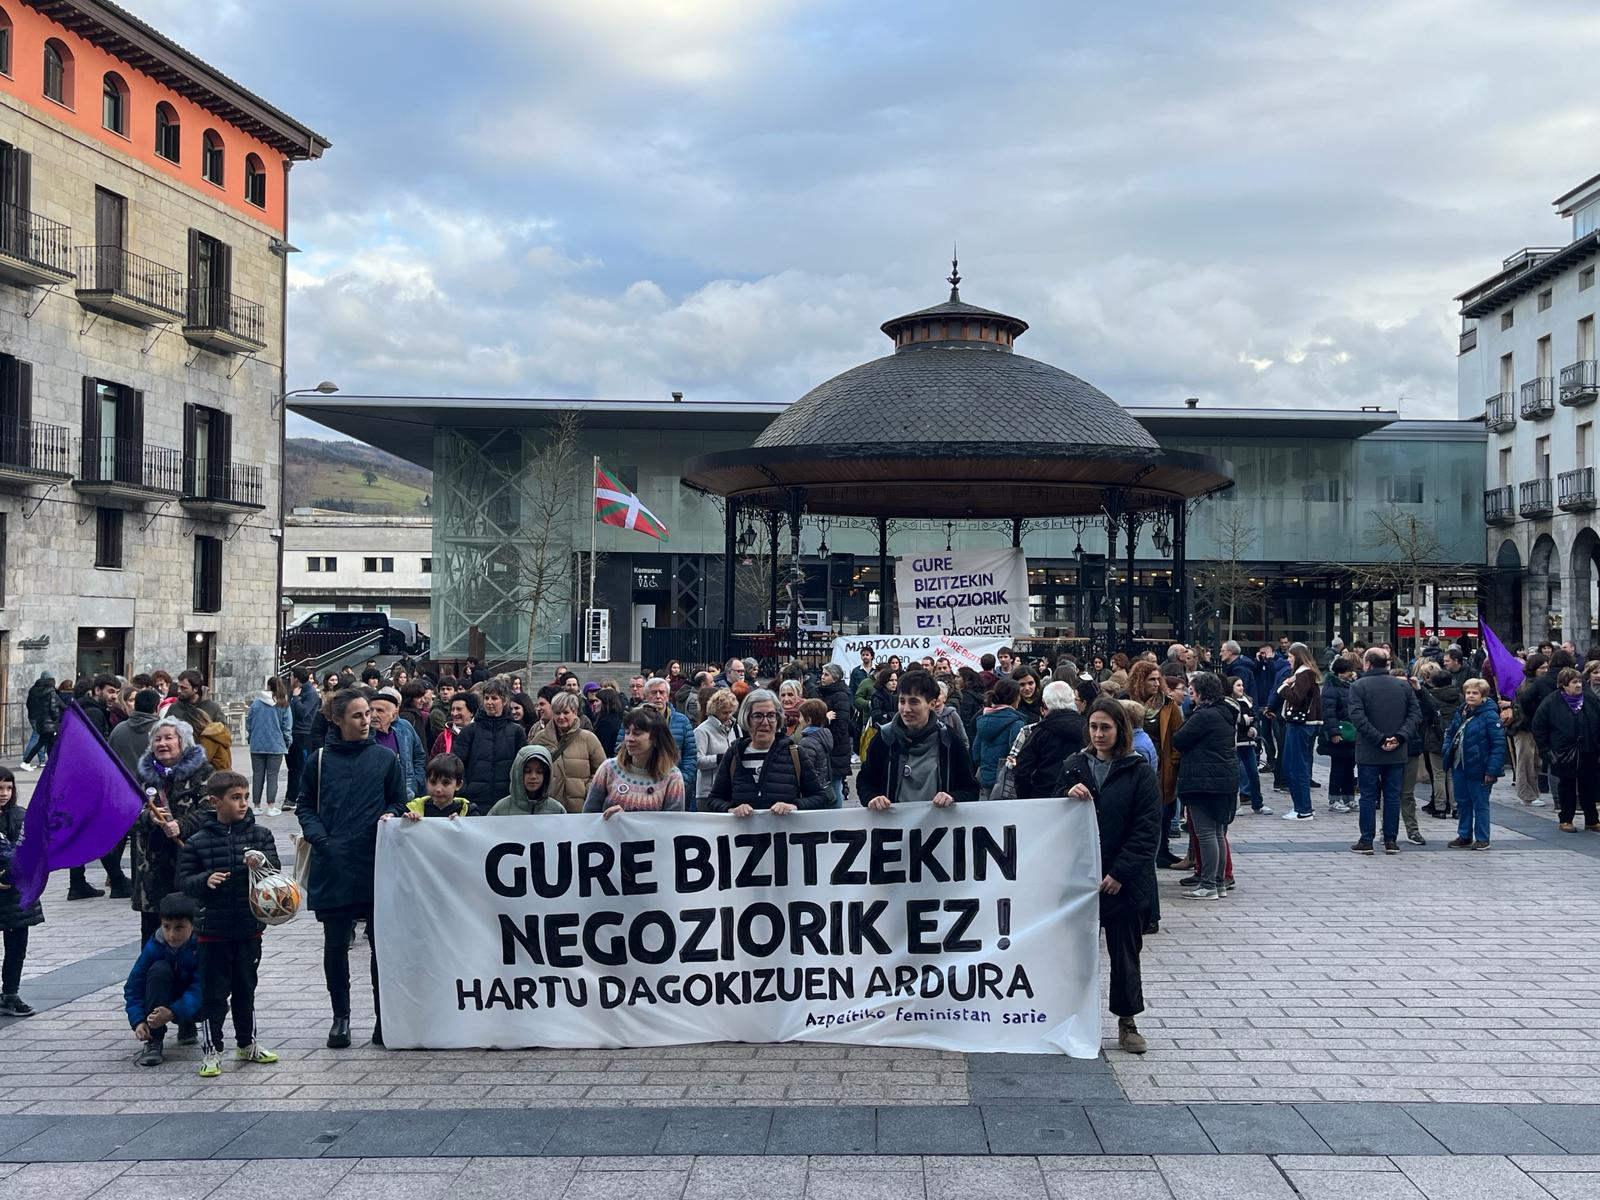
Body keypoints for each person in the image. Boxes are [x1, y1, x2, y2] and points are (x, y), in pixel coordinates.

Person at [297, 688, 408, 1049]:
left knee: (381, 945)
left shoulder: (385, 758)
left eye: (369, 714)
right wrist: (321, 840)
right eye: (358, 715)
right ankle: (340, 1017)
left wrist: (391, 814)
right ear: (338, 720)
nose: (367, 720)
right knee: (335, 945)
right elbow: (305, 807)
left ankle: (383, 1017)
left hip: (374, 860)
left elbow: (397, 799)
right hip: (333, 863)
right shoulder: (318, 761)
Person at [1051, 696, 1161, 1054]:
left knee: (1125, 954)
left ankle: (1127, 1021)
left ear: (1120, 730)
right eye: (1094, 727)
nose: (1098, 734)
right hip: (1079, 879)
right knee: (1074, 953)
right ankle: (1068, 1016)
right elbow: (1049, 811)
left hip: (1122, 882)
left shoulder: (1138, 770)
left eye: (1106, 728)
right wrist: (1066, 794)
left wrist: (1120, 872)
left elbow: (1147, 830)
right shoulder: (1074, 765)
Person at [178, 770, 282, 1076]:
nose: (243, 804)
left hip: (250, 927)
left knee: (245, 987)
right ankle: (212, 1050)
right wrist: (204, 880)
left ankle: (247, 1042)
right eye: (235, 798)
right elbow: (184, 882)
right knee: (213, 993)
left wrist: (261, 863)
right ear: (215, 802)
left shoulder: (260, 835)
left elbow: (276, 871)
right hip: (212, 930)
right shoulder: (197, 842)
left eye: (246, 797)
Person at [131, 717, 215, 941]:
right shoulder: (144, 775)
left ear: (183, 742)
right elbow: (129, 812)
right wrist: (149, 817)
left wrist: (182, 825)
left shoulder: (203, 772)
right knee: (152, 933)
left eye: (169, 738)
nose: (162, 744)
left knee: (187, 925)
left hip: (187, 859)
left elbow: (211, 810)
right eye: (157, 739)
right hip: (152, 865)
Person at [858, 669, 980, 808]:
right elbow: (865, 782)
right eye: (902, 701)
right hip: (893, 827)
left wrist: (952, 797)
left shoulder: (949, 740)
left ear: (932, 704)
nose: (906, 709)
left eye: (914, 702)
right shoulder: (885, 738)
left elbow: (970, 789)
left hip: (937, 827)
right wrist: (873, 798)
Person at [705, 689, 829, 815]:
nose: (765, 723)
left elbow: (820, 797)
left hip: (784, 833)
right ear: (747, 719)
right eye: (758, 716)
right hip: (744, 834)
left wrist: (794, 806)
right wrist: (731, 809)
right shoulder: (733, 755)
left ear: (778, 719)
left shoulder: (795, 754)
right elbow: (714, 799)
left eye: (771, 716)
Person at [1171, 673, 1238, 899]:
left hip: (1204, 780)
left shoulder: (1204, 715)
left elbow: (1179, 739)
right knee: (1217, 832)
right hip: (1222, 779)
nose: (1191, 695)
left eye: (1192, 691)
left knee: (1206, 833)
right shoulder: (1224, 712)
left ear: (1200, 693)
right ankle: (1218, 882)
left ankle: (1208, 884)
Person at [1349, 648, 1422, 855]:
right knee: (1392, 796)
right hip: (1397, 751)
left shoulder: (1358, 686)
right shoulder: (1403, 687)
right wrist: (1398, 737)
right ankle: (1391, 840)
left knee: (1368, 797)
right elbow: (1415, 715)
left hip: (1370, 751)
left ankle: (1366, 840)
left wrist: (1379, 739)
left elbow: (1357, 717)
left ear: (1368, 664)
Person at [123, 892, 204, 1068]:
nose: (171, 934)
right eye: (166, 927)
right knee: (158, 971)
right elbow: (133, 987)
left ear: (193, 926)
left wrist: (174, 1011)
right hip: (163, 995)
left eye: (179, 927)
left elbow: (201, 988)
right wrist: (138, 1021)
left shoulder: (202, 946)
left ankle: (187, 1023)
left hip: (194, 1002)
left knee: (211, 996)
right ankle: (153, 1039)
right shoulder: (155, 946)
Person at [1129, 661, 1185, 867]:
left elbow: (1177, 736)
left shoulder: (1168, 705)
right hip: (1134, 765)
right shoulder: (1126, 702)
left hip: (1162, 766)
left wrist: (1174, 762)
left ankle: (1162, 850)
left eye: (1157, 679)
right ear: (1139, 681)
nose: (1155, 683)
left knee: (1164, 811)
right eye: (1150, 679)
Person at [585, 707, 687, 817]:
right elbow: (588, 816)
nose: (630, 738)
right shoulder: (608, 768)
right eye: (627, 732)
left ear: (655, 739)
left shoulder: (672, 777)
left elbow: (673, 824)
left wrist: (629, 821)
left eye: (637, 733)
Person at [1442, 678, 1506, 850]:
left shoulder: (1490, 716)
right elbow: (1451, 732)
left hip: (1480, 766)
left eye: (1475, 693)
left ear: (1483, 696)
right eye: (1468, 692)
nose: (1470, 696)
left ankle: (1483, 837)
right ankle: (1464, 834)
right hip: (1460, 764)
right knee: (1463, 801)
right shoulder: (1461, 711)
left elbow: (1499, 745)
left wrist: (1492, 770)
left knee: (1480, 803)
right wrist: (1447, 750)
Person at [0, 767, 42, 1017]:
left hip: (17, 894)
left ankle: (10, 993)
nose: (4, 793)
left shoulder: (20, 815)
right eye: (0, 789)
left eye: (8, 788)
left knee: (16, 947)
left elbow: (33, 848)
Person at [1533, 667, 1596, 832]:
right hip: (1563, 751)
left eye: (1580, 681)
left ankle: (1591, 820)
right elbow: (1539, 727)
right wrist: (1546, 750)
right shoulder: (1551, 702)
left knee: (1589, 785)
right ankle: (1566, 819)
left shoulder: (1589, 699)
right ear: (1564, 685)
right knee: (1566, 786)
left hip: (1588, 749)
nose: (1579, 685)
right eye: (1574, 682)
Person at [613, 678, 699, 797]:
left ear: (668, 696)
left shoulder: (682, 721)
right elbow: (620, 750)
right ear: (646, 696)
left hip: (673, 783)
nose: (658, 696)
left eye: (662, 692)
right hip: (638, 783)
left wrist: (682, 781)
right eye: (654, 693)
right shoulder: (632, 719)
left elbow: (690, 756)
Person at [453, 680, 524, 816]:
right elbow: (457, 764)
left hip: (506, 799)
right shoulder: (469, 731)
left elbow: (521, 766)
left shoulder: (516, 732)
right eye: (486, 698)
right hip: (475, 799)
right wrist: (464, 791)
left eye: (494, 698)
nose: (489, 702)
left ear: (504, 701)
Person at [1273, 643, 1322, 821]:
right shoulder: (1309, 673)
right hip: (1305, 724)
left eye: (1290, 657)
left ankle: (1302, 809)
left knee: (1295, 766)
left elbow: (1296, 698)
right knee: (1296, 765)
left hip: (1300, 724)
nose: (1288, 660)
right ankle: (1303, 807)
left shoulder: (1302, 674)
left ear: (1298, 657)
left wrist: (1284, 686)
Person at [534, 692, 606, 813]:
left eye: (566, 712)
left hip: (580, 809)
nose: (561, 717)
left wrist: (587, 790)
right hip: (548, 808)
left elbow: (602, 772)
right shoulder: (540, 738)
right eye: (557, 713)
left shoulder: (588, 738)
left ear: (575, 712)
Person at [1014, 680, 1086, 799]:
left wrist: (1026, 797)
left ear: (1045, 703)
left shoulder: (1040, 732)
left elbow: (1022, 769)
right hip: (1080, 795)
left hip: (1044, 796)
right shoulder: (1087, 728)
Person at [370, 687, 428, 803]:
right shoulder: (364, 738)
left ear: (394, 714)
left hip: (409, 798)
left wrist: (416, 781)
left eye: (380, 711)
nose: (374, 715)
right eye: (371, 710)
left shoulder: (405, 728)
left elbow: (419, 756)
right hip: (380, 801)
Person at [245, 676, 293, 816]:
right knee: (273, 776)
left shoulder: (256, 703)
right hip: (276, 745)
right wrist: (287, 742)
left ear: (267, 686)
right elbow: (287, 726)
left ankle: (256, 805)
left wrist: (251, 737)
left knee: (257, 775)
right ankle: (271, 806)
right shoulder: (283, 704)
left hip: (257, 744)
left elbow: (249, 723)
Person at [973, 677, 1026, 800]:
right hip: (1005, 781)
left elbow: (976, 752)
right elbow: (1017, 754)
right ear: (1016, 697)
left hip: (985, 777)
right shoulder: (1016, 723)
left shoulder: (984, 719)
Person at [1319, 656, 1358, 815]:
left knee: (1349, 767)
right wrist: (1334, 732)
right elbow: (1329, 713)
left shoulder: (1348, 686)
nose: (1352, 674)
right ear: (1340, 672)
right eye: (1349, 671)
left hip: (1350, 733)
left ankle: (1348, 797)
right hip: (1341, 732)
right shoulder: (1331, 688)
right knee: (1338, 768)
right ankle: (1334, 798)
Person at [1230, 675, 1271, 815]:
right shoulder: (1229, 703)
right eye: (1238, 685)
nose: (1241, 688)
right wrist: (1243, 720)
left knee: (1253, 773)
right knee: (1235, 774)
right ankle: (1234, 805)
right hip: (1235, 742)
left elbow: (1254, 718)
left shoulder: (1248, 701)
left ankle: (1257, 803)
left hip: (1248, 742)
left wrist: (1253, 728)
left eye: (1242, 685)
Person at [1512, 654, 1550, 807]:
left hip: (1534, 728)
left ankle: (1533, 792)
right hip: (1524, 727)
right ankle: (1526, 794)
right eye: (1542, 668)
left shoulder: (1539, 683)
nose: (1545, 670)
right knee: (1525, 761)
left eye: (1547, 667)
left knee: (1535, 761)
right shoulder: (1527, 685)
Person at [693, 688, 740, 810]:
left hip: (731, 789)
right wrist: (721, 758)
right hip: (707, 792)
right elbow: (697, 761)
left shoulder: (736, 727)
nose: (728, 716)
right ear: (715, 711)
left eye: (731, 712)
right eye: (724, 713)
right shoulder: (701, 731)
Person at [488, 744, 566, 816]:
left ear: (546, 775)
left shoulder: (557, 810)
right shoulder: (500, 809)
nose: (533, 777)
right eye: (527, 771)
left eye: (539, 772)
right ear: (517, 773)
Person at [286, 668, 319, 817]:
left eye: (291, 676)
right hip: (291, 732)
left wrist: (296, 699)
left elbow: (304, 713)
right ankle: (291, 795)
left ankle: (297, 797)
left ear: (297, 678)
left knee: (301, 766)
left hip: (303, 733)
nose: (290, 679)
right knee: (292, 767)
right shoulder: (293, 691)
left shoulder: (310, 693)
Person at [795, 698, 838, 807]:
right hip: (823, 785)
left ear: (808, 720)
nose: (799, 720)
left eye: (800, 717)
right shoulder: (823, 736)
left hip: (812, 791)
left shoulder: (807, 742)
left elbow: (807, 769)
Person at [19, 671, 63, 772]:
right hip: (48, 721)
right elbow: (53, 707)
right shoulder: (51, 691)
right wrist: (56, 718)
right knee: (41, 741)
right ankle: (26, 761)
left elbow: (28, 704)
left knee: (47, 741)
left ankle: (48, 762)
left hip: (36, 718)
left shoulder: (33, 689)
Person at [406, 753, 470, 819]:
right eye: (433, 782)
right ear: (426, 782)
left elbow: (476, 828)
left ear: (458, 785)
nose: (438, 789)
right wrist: (407, 822)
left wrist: (463, 825)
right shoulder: (412, 808)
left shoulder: (469, 811)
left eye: (445, 783)